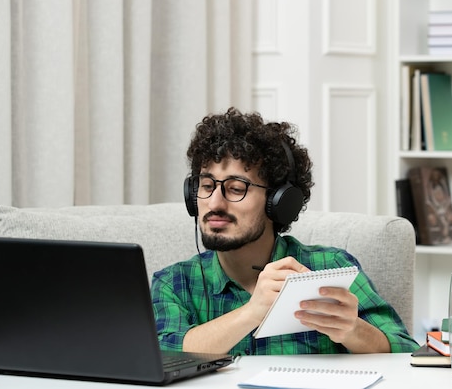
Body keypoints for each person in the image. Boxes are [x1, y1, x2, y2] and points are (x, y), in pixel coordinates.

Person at [151, 107, 419, 356]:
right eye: (207, 185)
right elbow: (160, 358)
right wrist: (252, 312)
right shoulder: (175, 284)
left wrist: (353, 330)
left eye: (235, 188)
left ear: (278, 202)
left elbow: (406, 352)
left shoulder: (329, 267)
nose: (214, 203)